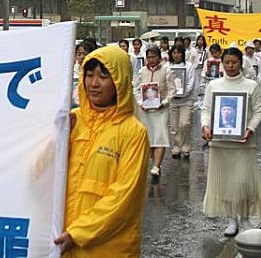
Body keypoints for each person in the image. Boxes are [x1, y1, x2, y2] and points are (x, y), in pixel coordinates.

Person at [55, 45, 149, 257]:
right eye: (89, 75)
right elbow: (39, 175)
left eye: (103, 76)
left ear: (120, 81)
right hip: (64, 244)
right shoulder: (71, 120)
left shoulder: (133, 132)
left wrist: (77, 233)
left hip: (108, 248)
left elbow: (125, 198)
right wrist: (58, 141)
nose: (94, 83)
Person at [201, 47, 261, 236]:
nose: (231, 66)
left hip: (243, 143)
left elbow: (258, 111)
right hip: (220, 143)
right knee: (225, 182)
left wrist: (250, 129)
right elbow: (206, 110)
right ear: (222, 64)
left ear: (241, 62)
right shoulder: (214, 85)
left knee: (243, 182)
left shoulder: (251, 85)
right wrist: (205, 127)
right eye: (227, 62)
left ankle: (245, 217)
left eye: (234, 62)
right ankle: (231, 219)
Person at [134, 46, 176, 178]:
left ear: (159, 57)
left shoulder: (166, 71)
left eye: (153, 56)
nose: (151, 60)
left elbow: (172, 90)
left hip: (161, 110)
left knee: (160, 136)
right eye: (149, 57)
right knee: (150, 138)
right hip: (146, 110)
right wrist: (141, 103)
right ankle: (155, 163)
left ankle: (157, 166)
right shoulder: (141, 71)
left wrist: (163, 103)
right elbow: (135, 89)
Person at [169, 44, 197, 159]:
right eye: (174, 53)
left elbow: (191, 83)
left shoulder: (189, 66)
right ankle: (176, 147)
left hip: (186, 99)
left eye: (179, 52)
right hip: (172, 100)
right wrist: (172, 94)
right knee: (174, 126)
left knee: (184, 124)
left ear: (183, 54)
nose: (176, 55)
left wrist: (183, 93)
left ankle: (186, 147)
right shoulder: (167, 66)